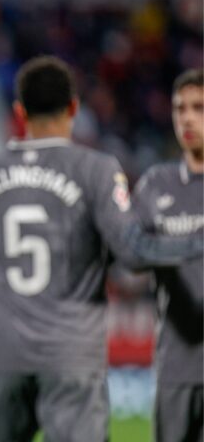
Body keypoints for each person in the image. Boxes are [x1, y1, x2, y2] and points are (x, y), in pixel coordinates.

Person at [0, 56, 202, 442]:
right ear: (74, 107)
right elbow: (132, 252)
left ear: (19, 111)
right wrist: (193, 242)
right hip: (69, 351)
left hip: (3, 349)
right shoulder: (95, 168)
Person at [132, 69, 203, 442]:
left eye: (198, 108)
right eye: (180, 109)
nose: (187, 118)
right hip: (175, 366)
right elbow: (131, 254)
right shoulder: (156, 184)